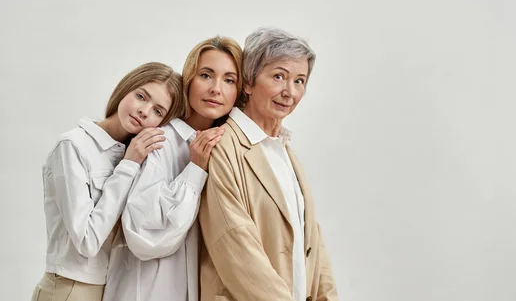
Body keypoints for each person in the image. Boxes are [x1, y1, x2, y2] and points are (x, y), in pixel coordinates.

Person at [199, 27, 338, 301]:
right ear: (248, 82)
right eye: (279, 76)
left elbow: (313, 242)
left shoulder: (284, 151)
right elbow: (235, 245)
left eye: (300, 81)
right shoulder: (223, 146)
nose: (289, 92)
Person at [103, 36, 243, 301]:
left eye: (229, 80)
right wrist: (195, 169)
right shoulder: (160, 140)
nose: (216, 89)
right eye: (206, 75)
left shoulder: (226, 146)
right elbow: (144, 234)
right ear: (188, 78)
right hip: (146, 289)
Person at [31, 62, 184, 301]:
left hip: (110, 286)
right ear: (125, 88)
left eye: (158, 111)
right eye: (141, 96)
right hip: (72, 288)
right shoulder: (73, 146)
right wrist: (128, 165)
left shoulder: (138, 156)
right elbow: (87, 241)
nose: (144, 111)